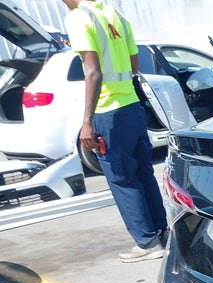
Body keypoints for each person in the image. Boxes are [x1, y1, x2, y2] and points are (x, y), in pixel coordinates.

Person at [61, 0, 168, 263]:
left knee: (122, 179)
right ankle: (162, 234)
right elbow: (134, 65)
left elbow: (93, 73)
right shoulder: (115, 15)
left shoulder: (78, 18)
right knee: (143, 174)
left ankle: (147, 242)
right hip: (131, 106)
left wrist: (87, 122)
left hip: (108, 112)